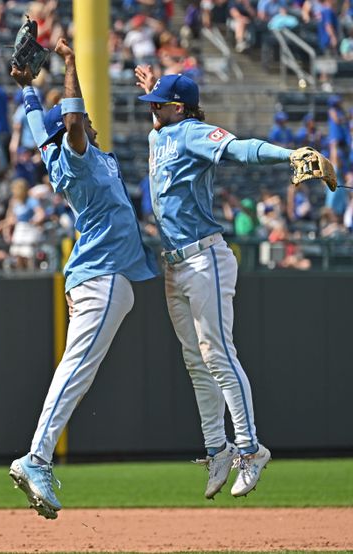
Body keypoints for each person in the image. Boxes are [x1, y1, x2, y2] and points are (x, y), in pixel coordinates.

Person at [134, 66, 306, 499]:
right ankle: (218, 449)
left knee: (218, 355)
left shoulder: (191, 132)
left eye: (158, 104)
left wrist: (288, 155)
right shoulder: (160, 135)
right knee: (197, 361)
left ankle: (250, 448)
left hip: (204, 257)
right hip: (175, 264)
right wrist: (157, 88)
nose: (150, 110)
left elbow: (240, 148)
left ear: (178, 108)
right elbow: (160, 122)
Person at [7, 39, 159, 520]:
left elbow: (41, 128)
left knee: (79, 368)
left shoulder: (69, 155)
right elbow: (69, 122)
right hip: (102, 276)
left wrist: (28, 90)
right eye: (79, 119)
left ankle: (37, 456)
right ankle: (36, 457)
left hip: (100, 277)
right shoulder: (76, 156)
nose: (88, 120)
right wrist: (70, 63)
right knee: (77, 369)